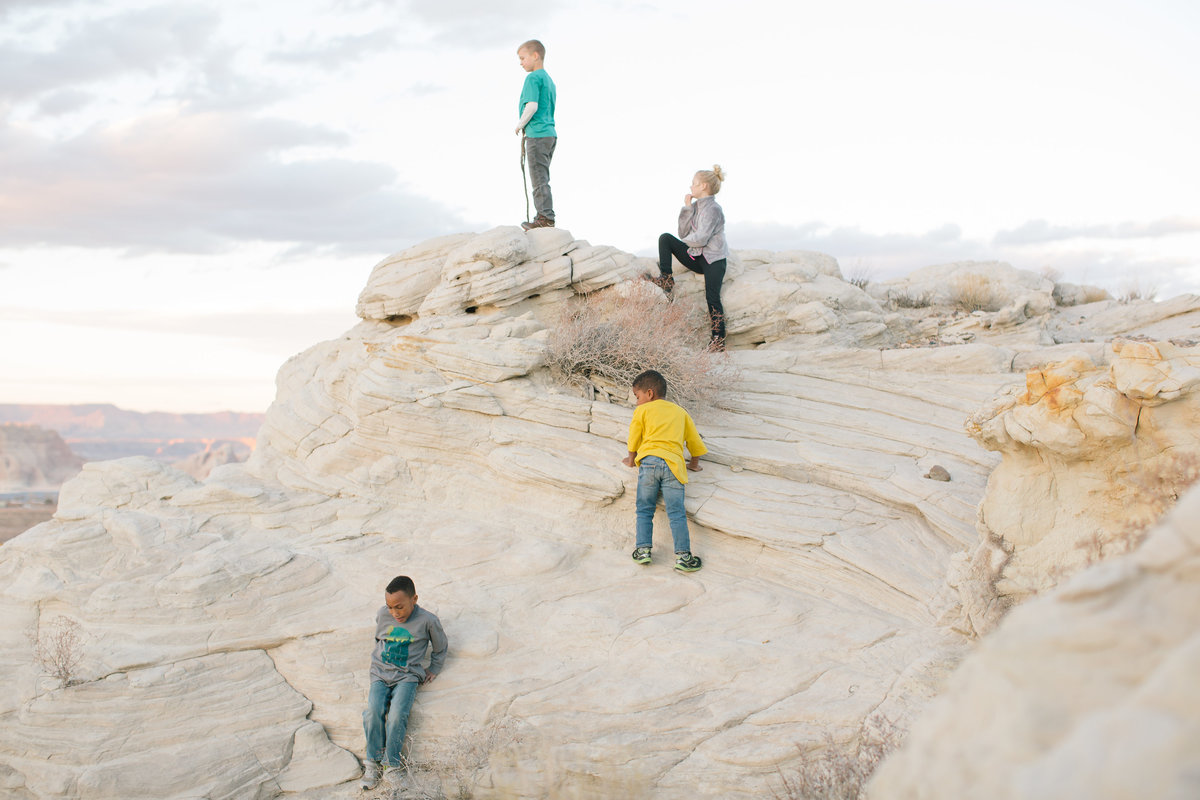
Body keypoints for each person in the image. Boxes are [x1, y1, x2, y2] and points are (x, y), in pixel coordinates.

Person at [360, 575, 448, 791]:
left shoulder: (428, 620)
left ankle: (392, 765)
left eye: (399, 607)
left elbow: (440, 646)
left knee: (398, 714)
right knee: (373, 711)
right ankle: (372, 763)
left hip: (407, 676)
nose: (394, 613)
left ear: (414, 599)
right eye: (390, 607)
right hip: (380, 673)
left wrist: (434, 668)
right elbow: (379, 638)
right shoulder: (383, 614)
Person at [622, 369, 707, 573]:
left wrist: (631, 459)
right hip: (673, 466)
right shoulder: (680, 412)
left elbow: (634, 435)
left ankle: (643, 551)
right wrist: (694, 463)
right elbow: (694, 441)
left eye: (637, 396)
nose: (636, 402)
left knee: (644, 509)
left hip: (649, 463)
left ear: (649, 394)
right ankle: (684, 557)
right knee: (676, 512)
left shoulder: (642, 411)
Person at [648, 165, 729, 351]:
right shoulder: (695, 207)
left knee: (712, 297)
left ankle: (718, 340)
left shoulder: (714, 209)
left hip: (713, 260)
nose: (691, 187)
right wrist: (686, 208)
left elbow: (701, 238)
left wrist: (684, 243)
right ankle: (667, 279)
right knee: (666, 239)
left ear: (703, 186)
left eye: (694, 184)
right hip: (697, 257)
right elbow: (682, 231)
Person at [515, 39, 557, 230]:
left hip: (537, 134)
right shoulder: (549, 80)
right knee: (543, 177)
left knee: (538, 178)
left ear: (535, 55)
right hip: (549, 134)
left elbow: (532, 105)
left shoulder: (533, 78)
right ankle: (545, 216)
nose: (521, 62)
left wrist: (519, 125)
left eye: (523, 58)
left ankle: (544, 218)